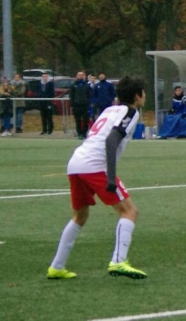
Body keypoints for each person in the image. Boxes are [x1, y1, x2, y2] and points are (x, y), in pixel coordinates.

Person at [46, 75, 148, 280]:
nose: (145, 96)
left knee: (80, 216)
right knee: (129, 211)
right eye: (143, 93)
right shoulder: (131, 112)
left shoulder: (110, 109)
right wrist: (111, 177)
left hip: (76, 163)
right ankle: (118, 261)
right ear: (138, 96)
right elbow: (111, 140)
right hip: (95, 165)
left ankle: (56, 267)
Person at [69, 71, 93, 140]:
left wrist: (88, 103)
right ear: (76, 76)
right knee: (78, 120)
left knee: (86, 120)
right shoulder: (73, 85)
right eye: (79, 75)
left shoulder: (86, 85)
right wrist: (73, 104)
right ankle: (79, 133)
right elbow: (71, 95)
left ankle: (84, 133)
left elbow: (89, 95)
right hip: (76, 106)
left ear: (84, 76)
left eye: (82, 75)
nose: (80, 76)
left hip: (85, 106)